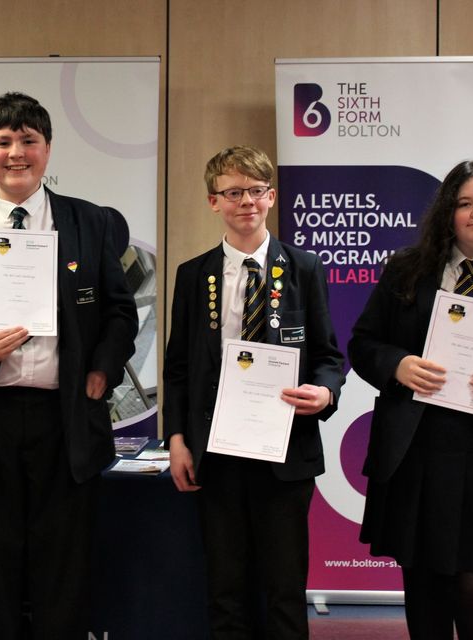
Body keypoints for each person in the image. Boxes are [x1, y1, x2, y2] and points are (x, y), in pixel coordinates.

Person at [0, 92, 138, 639]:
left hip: (65, 419)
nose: (16, 153)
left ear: (47, 149)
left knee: (62, 573)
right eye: (3, 142)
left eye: (28, 141)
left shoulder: (89, 222)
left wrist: (102, 369)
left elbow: (119, 312)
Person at [348, 160, 473, 639]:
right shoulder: (406, 273)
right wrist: (397, 366)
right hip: (417, 454)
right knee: (425, 588)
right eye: (464, 203)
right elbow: (363, 344)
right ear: (447, 213)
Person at [163, 145, 345, 639]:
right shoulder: (192, 274)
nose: (246, 201)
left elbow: (330, 356)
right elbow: (177, 368)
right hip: (216, 453)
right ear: (213, 201)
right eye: (233, 192)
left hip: (285, 451)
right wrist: (177, 439)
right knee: (226, 590)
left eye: (256, 192)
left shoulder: (304, 269)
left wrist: (325, 394)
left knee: (285, 589)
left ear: (271, 197)